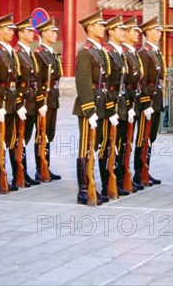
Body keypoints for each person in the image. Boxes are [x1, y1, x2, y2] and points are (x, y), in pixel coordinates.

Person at [73, 10, 110, 206]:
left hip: (101, 102)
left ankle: (92, 184)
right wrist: (89, 109)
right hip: (91, 105)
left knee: (95, 146)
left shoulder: (99, 51)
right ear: (90, 28)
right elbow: (83, 82)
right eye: (100, 25)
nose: (103, 28)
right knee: (86, 146)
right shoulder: (85, 51)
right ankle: (84, 190)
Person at [0, 13, 25, 193]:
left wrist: (18, 104)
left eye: (12, 29)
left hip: (10, 100)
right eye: (7, 29)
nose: (11, 32)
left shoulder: (11, 52)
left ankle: (6, 176)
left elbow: (16, 81)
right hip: (1, 101)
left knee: (9, 140)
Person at [101, 15, 130, 198]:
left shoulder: (120, 53)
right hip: (112, 105)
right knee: (107, 145)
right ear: (110, 31)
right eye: (120, 29)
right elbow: (106, 84)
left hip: (121, 104)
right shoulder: (108, 53)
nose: (124, 32)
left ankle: (117, 181)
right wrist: (111, 109)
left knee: (118, 144)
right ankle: (106, 184)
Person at [134, 17, 164, 188]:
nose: (159, 33)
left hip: (156, 99)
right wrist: (145, 104)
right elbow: (142, 80)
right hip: (148, 101)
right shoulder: (144, 54)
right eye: (156, 30)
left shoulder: (155, 52)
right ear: (147, 33)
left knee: (150, 137)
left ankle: (146, 168)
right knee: (142, 138)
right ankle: (139, 172)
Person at [13, 16, 42, 186]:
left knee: (26, 138)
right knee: (19, 139)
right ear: (21, 33)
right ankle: (19, 172)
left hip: (31, 102)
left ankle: (23, 171)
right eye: (29, 31)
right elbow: (15, 81)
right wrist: (18, 103)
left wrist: (39, 102)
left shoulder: (29, 53)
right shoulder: (17, 53)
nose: (32, 34)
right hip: (23, 102)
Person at [33, 17, 63, 182]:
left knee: (49, 134)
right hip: (44, 99)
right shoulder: (39, 54)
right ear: (43, 34)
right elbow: (37, 79)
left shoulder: (51, 53)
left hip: (53, 98)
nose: (55, 34)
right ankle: (40, 168)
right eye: (52, 31)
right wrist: (39, 101)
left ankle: (46, 165)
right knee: (41, 134)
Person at [118, 16, 142, 194]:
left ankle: (123, 177)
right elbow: (123, 83)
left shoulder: (132, 53)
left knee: (128, 142)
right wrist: (127, 106)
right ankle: (118, 178)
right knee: (119, 142)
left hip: (132, 102)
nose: (137, 34)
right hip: (123, 103)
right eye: (134, 31)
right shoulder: (125, 54)